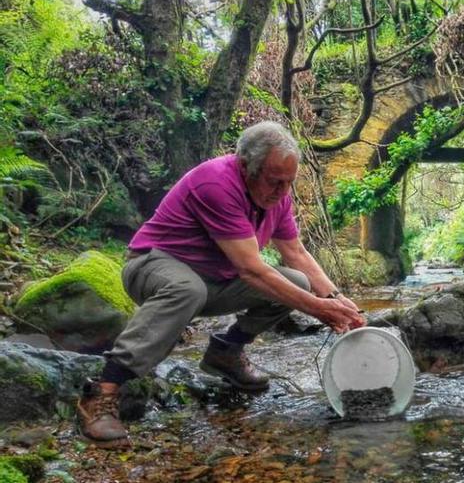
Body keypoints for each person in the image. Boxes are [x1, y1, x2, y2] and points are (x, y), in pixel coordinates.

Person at [76, 121, 365, 443]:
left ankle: (225, 353)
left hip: (213, 281)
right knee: (189, 289)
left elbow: (295, 252)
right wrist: (318, 309)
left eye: (289, 182)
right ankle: (102, 391)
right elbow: (252, 270)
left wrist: (337, 299)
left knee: (296, 281)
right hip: (152, 266)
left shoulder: (278, 198)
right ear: (245, 167)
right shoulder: (215, 183)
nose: (282, 192)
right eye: (274, 182)